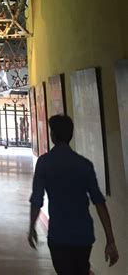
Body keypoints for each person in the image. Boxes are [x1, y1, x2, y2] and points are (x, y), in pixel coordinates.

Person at [28, 114, 119, 274]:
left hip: (59, 235)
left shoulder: (44, 163)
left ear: (53, 136)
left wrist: (32, 227)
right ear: (70, 135)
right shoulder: (84, 165)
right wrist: (110, 240)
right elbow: (100, 203)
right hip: (83, 235)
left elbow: (37, 199)